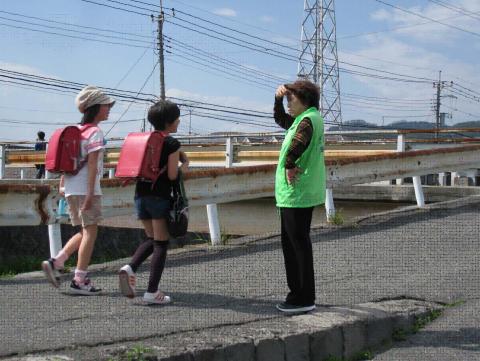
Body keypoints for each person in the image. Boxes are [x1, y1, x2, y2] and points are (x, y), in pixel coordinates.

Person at [41, 86, 115, 295]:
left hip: (71, 188)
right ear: (95, 107)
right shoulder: (95, 132)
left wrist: (63, 183)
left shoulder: (76, 131)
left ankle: (57, 261)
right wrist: (91, 194)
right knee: (91, 231)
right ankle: (79, 280)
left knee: (83, 230)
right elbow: (92, 165)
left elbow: (69, 161)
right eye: (106, 105)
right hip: (86, 189)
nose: (109, 108)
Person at [118, 99, 189, 305]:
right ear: (169, 122)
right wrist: (185, 165)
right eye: (176, 119)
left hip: (140, 195)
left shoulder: (146, 139)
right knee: (161, 243)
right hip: (160, 197)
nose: (178, 122)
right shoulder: (172, 143)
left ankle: (130, 267)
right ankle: (151, 292)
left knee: (151, 238)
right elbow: (173, 175)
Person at [273, 80, 326, 314]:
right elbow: (282, 121)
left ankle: (303, 297)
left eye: (290, 100)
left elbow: (297, 145)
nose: (288, 105)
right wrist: (277, 100)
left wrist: (289, 162)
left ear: (304, 99)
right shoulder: (306, 119)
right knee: (294, 245)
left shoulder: (307, 121)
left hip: (297, 192)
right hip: (296, 193)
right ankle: (298, 295)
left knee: (297, 246)